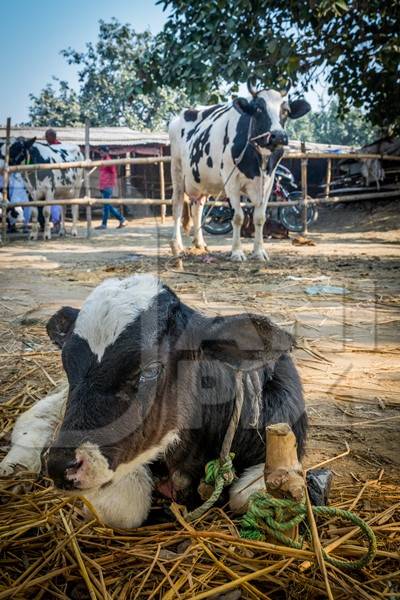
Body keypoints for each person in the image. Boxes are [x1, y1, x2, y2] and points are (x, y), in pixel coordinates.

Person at [95, 146, 126, 230]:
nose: (100, 153)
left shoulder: (108, 161)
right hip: (104, 185)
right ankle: (121, 219)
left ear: (106, 152)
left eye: (102, 152)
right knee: (107, 205)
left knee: (106, 206)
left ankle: (104, 224)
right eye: (100, 152)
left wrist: (111, 183)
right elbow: (103, 175)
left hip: (107, 186)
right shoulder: (103, 161)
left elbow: (113, 173)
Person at [45, 128, 62, 234]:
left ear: (53, 136)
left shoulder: (60, 147)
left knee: (55, 202)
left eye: (47, 136)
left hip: (59, 178)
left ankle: (57, 224)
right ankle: (47, 224)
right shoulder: (47, 147)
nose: (46, 138)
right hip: (48, 178)